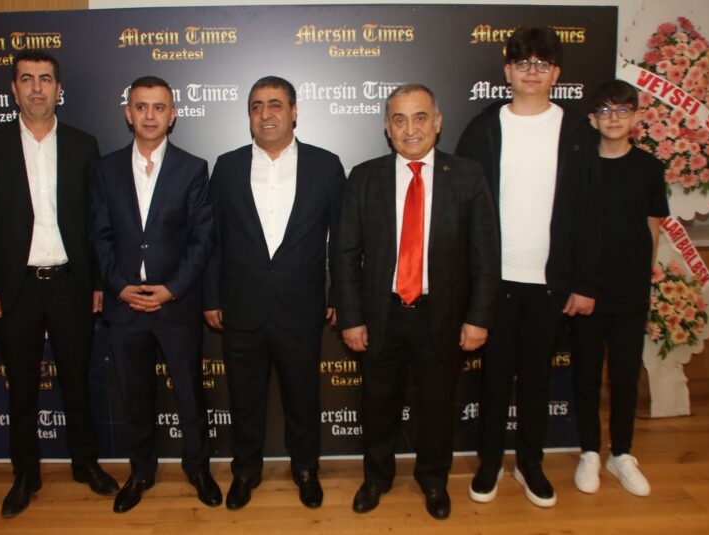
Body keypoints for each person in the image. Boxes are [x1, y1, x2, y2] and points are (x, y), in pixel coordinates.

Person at [0, 49, 118, 518]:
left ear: (58, 89)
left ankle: (85, 463)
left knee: (77, 383)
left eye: (45, 79)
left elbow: (96, 221)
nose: (37, 88)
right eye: (27, 79)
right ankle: (25, 474)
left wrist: (98, 280)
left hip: (72, 284)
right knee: (22, 389)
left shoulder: (82, 145)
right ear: (14, 90)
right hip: (17, 289)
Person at [336, 84, 499, 520]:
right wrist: (350, 317)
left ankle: (433, 480)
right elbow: (345, 254)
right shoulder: (364, 177)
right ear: (387, 128)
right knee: (377, 405)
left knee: (438, 408)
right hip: (382, 314)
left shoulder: (467, 176)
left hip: (441, 316)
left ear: (438, 122)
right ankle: (376, 478)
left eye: (420, 117)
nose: (411, 128)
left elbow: (486, 254)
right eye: (400, 119)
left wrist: (479, 317)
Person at [454, 26, 602, 509]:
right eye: (523, 63)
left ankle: (530, 464)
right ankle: (490, 463)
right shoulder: (483, 128)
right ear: (508, 71)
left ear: (556, 73)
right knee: (494, 380)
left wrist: (584, 283)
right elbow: (460, 210)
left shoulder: (577, 131)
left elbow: (590, 215)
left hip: (551, 285)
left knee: (537, 382)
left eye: (542, 63)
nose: (532, 72)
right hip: (494, 283)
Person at [204, 76, 345, 510]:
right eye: (256, 106)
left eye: (275, 104)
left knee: (303, 396)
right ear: (249, 115)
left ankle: (305, 469)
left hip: (301, 307)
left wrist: (339, 295)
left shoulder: (325, 165)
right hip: (240, 306)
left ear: (294, 111)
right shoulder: (226, 167)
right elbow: (212, 239)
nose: (265, 114)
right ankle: (246, 471)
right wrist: (211, 297)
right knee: (244, 398)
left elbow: (342, 239)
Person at [87, 76, 221, 513]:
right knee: (134, 397)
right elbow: (99, 235)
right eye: (141, 107)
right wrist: (118, 286)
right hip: (124, 306)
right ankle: (141, 471)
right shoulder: (105, 169)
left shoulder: (193, 168)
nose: (150, 115)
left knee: (190, 394)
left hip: (175, 305)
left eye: (159, 107)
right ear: (128, 113)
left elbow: (202, 239)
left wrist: (171, 289)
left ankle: (198, 468)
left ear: (172, 115)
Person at [572, 80, 667, 498]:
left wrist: (644, 276)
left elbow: (652, 226)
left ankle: (622, 453)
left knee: (626, 375)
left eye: (623, 111)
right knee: (586, 375)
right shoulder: (578, 166)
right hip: (587, 289)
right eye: (606, 111)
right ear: (593, 119)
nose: (614, 119)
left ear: (635, 118)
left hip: (630, 291)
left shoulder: (649, 168)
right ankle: (590, 451)